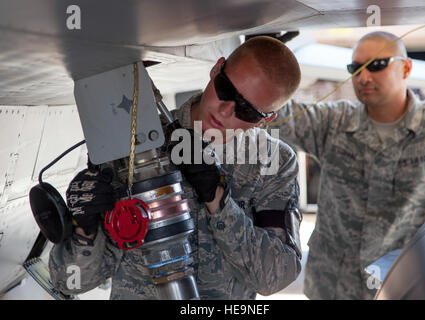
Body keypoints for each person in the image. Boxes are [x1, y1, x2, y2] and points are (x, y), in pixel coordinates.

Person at [48, 36, 303, 299]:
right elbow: (69, 282)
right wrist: (85, 231)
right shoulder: (135, 143)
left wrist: (218, 199)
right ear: (216, 69)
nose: (226, 110)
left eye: (247, 111)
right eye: (226, 89)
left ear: (266, 119)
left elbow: (275, 277)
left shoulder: (272, 161)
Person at [272, 28, 425, 300]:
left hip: (406, 287)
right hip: (334, 288)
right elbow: (271, 115)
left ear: (406, 68)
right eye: (355, 68)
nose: (363, 77)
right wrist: (268, 56)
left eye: (376, 65)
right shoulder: (334, 122)